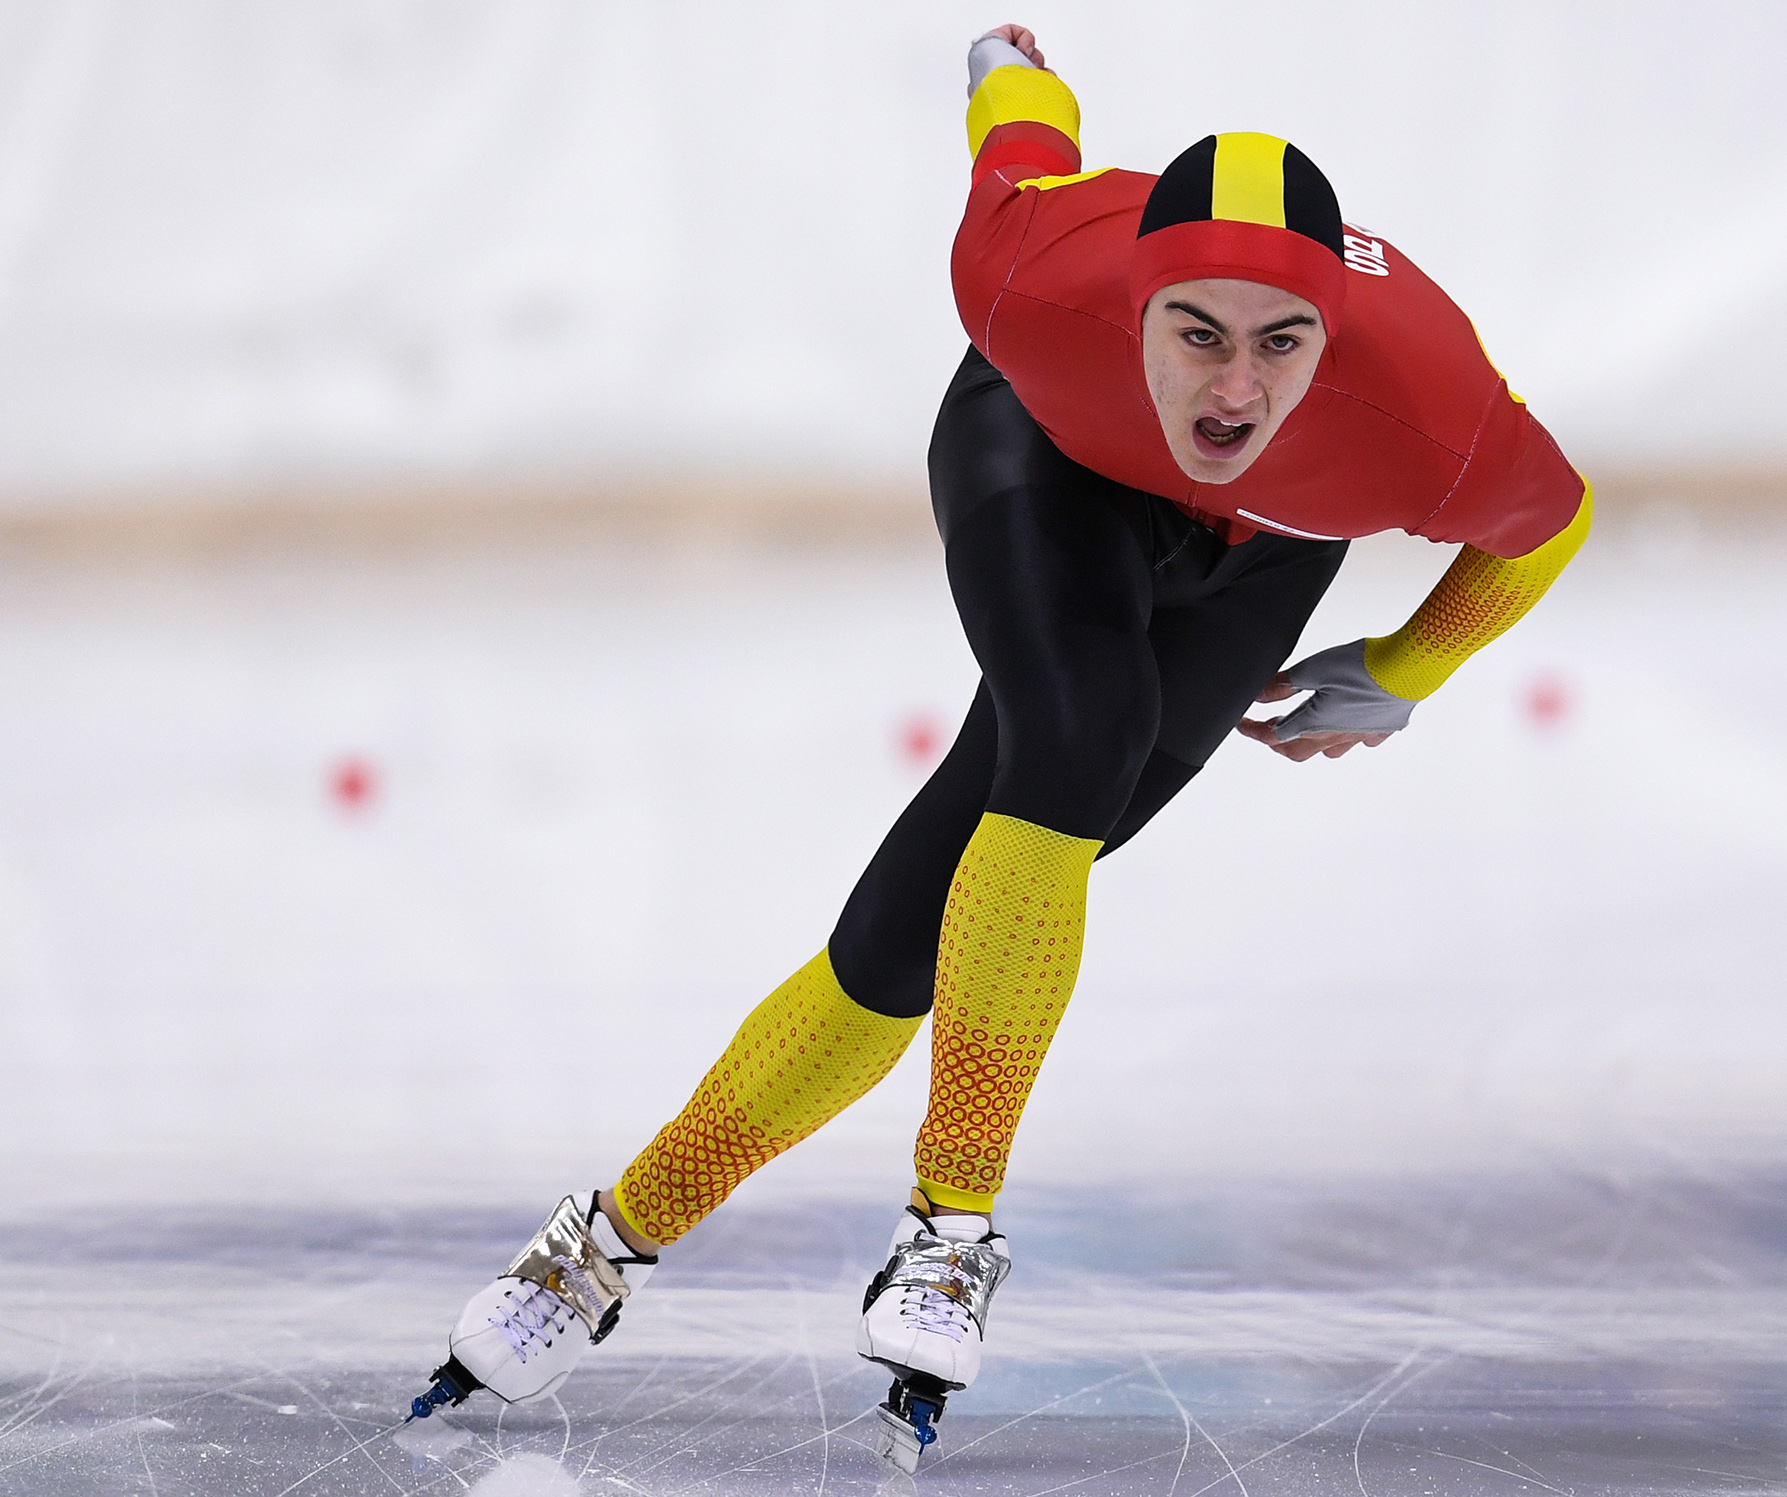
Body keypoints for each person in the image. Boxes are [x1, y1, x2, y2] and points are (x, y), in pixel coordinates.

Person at [410, 20, 1592, 1466]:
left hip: (1274, 554)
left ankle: (591, 1252)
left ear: (1331, 339)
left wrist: (1409, 666)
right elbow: (1021, 137)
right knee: (1086, 728)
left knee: (908, 940)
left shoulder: (1435, 419)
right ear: (1138, 302)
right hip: (1046, 455)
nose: (1233, 390)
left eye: (1282, 343)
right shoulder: (1034, 273)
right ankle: (951, 1231)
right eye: (1198, 332)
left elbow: (1555, 524)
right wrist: (1005, 57)